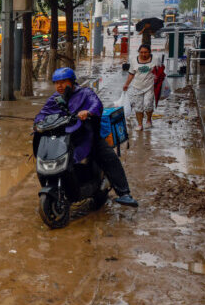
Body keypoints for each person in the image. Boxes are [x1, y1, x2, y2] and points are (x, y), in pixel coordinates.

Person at [35, 67, 139, 207]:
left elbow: (97, 104)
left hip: (86, 135)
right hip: (65, 137)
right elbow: (43, 114)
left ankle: (124, 193)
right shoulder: (54, 99)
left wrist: (88, 112)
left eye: (63, 82)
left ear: (72, 82)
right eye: (56, 82)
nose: (59, 86)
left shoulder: (85, 93)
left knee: (108, 156)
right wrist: (38, 123)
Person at [122, 44, 155, 131]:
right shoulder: (134, 61)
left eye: (146, 52)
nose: (143, 54)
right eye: (141, 52)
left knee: (148, 105)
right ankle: (140, 124)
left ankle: (148, 120)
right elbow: (131, 74)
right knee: (138, 107)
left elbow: (160, 71)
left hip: (150, 87)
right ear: (139, 52)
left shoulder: (155, 60)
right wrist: (126, 84)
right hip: (137, 87)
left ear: (149, 52)